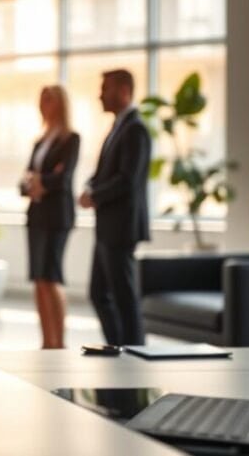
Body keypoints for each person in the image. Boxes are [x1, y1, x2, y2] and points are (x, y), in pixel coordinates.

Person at [79, 69, 151, 347]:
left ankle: (133, 352)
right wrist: (90, 187)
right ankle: (118, 348)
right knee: (99, 293)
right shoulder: (118, 127)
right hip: (107, 226)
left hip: (121, 227)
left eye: (105, 89)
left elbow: (128, 180)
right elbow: (107, 172)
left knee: (123, 297)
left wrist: (95, 195)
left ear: (123, 91)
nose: (100, 95)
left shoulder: (136, 129)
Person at [21, 86, 79, 349]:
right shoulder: (40, 141)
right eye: (41, 99)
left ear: (61, 104)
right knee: (38, 279)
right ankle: (47, 342)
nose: (43, 104)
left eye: (49, 99)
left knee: (51, 276)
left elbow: (63, 179)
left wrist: (39, 179)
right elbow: (26, 179)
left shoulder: (70, 139)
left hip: (57, 216)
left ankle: (60, 343)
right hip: (36, 214)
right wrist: (37, 181)